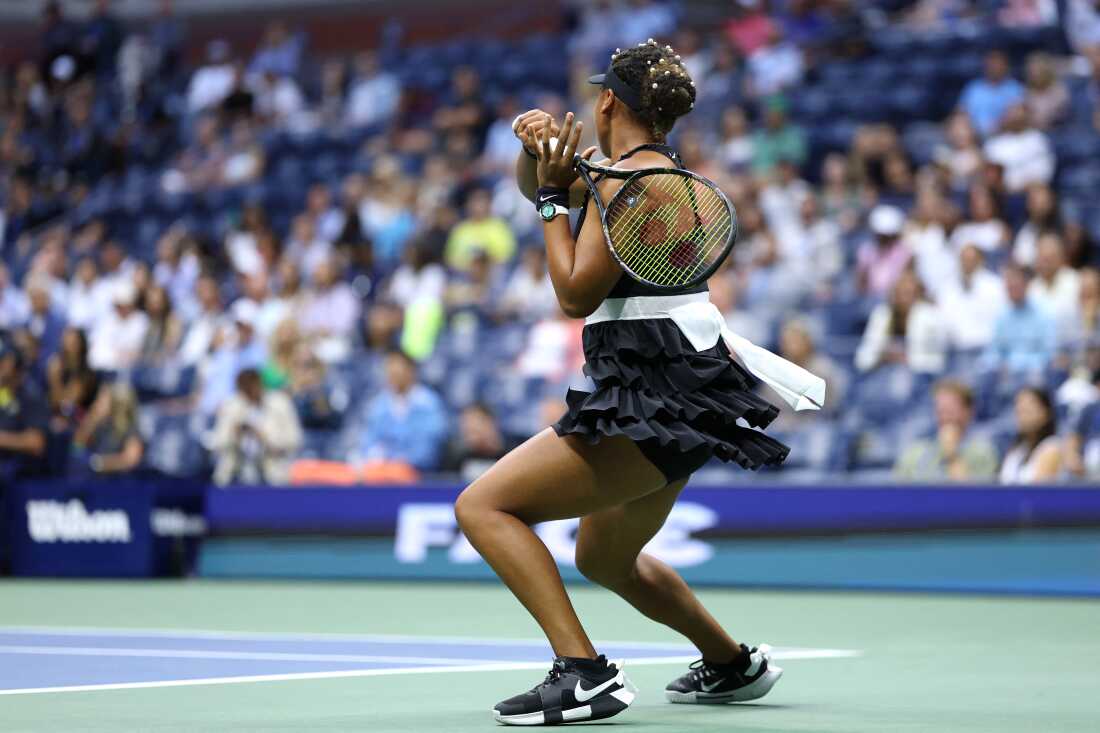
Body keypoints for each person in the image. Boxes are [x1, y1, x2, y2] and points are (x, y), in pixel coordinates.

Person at [457, 42, 804, 726]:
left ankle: (583, 673)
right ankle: (733, 663)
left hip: (648, 395)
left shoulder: (630, 185)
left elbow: (574, 293)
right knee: (603, 554)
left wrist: (554, 200)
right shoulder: (651, 175)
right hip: (686, 395)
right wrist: (540, 153)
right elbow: (545, 183)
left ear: (608, 101)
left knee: (483, 506)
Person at [356, 349, 447, 471]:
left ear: (411, 371)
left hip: (417, 475)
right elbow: (368, 442)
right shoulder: (378, 405)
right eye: (389, 371)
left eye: (397, 371)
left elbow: (427, 451)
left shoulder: (429, 405)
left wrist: (395, 462)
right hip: (380, 473)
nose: (393, 376)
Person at [211, 368, 302, 485]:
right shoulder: (231, 406)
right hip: (237, 471)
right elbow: (219, 442)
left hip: (274, 472)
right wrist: (235, 434)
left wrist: (264, 437)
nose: (250, 392)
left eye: (253, 387)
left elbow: (294, 440)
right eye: (245, 389)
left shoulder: (280, 403)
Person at [895, 380, 999, 482]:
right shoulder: (915, 452)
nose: (945, 417)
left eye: (950, 410)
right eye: (940, 410)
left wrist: (952, 455)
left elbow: (972, 496)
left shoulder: (982, 453)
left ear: (968, 412)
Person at [855, 269, 947, 374]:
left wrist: (906, 359)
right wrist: (882, 357)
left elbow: (935, 359)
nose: (903, 299)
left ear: (919, 295)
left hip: (919, 376)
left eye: (908, 293)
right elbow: (865, 354)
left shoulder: (930, 316)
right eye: (899, 293)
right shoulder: (882, 314)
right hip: (882, 373)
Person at [982, 263, 1057, 377]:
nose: (1011, 289)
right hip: (1005, 375)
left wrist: (1015, 364)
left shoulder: (1044, 314)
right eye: (1009, 286)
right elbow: (994, 350)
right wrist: (993, 363)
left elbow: (1049, 353)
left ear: (1026, 285)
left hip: (1035, 374)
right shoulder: (1002, 316)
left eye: (1015, 286)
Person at [71, 382, 144, 475]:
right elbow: (76, 447)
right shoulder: (98, 425)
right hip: (96, 481)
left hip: (120, 483)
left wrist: (100, 464)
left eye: (102, 399)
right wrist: (91, 420)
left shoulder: (129, 428)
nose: (97, 402)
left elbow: (130, 460)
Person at [0, 336, 47, 480]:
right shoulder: (3, 394)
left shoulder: (30, 397)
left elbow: (36, 442)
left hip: (17, 471)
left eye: (3, 364)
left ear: (16, 369)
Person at [999, 387, 1062, 483]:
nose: (1022, 416)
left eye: (1028, 410)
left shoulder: (1051, 447)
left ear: (1045, 413)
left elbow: (1038, 492)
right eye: (1020, 411)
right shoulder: (1016, 450)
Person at [958, 50, 1025, 138]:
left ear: (1005, 66)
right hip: (976, 137)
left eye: (998, 64)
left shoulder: (1015, 88)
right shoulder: (974, 88)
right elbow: (961, 113)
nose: (994, 68)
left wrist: (999, 127)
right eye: (991, 65)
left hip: (1008, 136)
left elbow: (1019, 115)